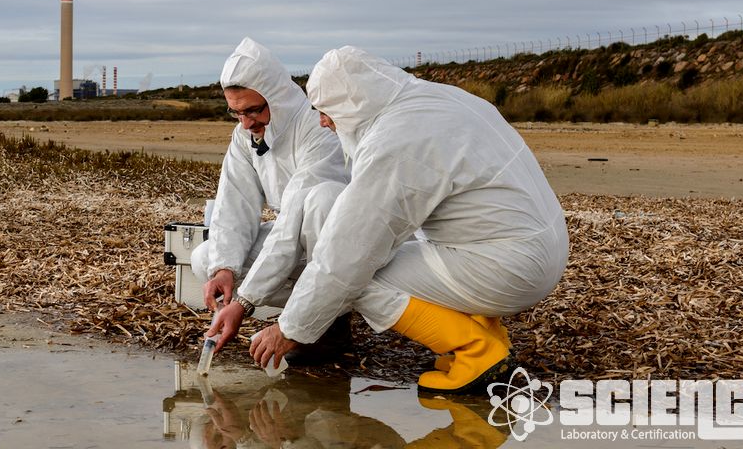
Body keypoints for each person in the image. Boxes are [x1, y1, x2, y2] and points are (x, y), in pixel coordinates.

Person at [250, 45, 568, 394]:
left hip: (509, 267)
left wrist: (289, 329)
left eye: (325, 111)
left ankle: (477, 353)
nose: (323, 122)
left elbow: (346, 258)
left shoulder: (394, 140)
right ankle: (488, 332)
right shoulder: (439, 99)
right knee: (385, 256)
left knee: (357, 278)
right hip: (537, 249)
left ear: (351, 103)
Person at [194, 37, 350, 362]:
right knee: (205, 258)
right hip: (294, 244)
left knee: (322, 199)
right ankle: (307, 309)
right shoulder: (244, 135)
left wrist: (244, 302)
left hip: (338, 248)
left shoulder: (317, 129)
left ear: (277, 98)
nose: (246, 122)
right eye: (237, 113)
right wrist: (224, 269)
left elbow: (294, 222)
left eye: (253, 110)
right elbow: (234, 206)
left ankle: (329, 323)